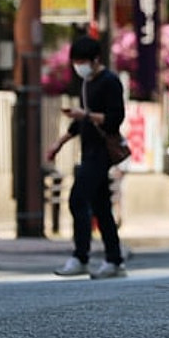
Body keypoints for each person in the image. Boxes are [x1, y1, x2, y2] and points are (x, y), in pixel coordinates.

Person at [46, 35, 127, 280]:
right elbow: (79, 124)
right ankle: (114, 260)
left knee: (77, 199)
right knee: (102, 207)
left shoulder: (110, 82)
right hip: (89, 149)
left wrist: (87, 114)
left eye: (82, 61)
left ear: (96, 60)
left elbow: (115, 118)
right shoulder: (86, 83)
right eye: (75, 61)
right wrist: (59, 143)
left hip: (101, 152)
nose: (78, 66)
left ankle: (81, 256)